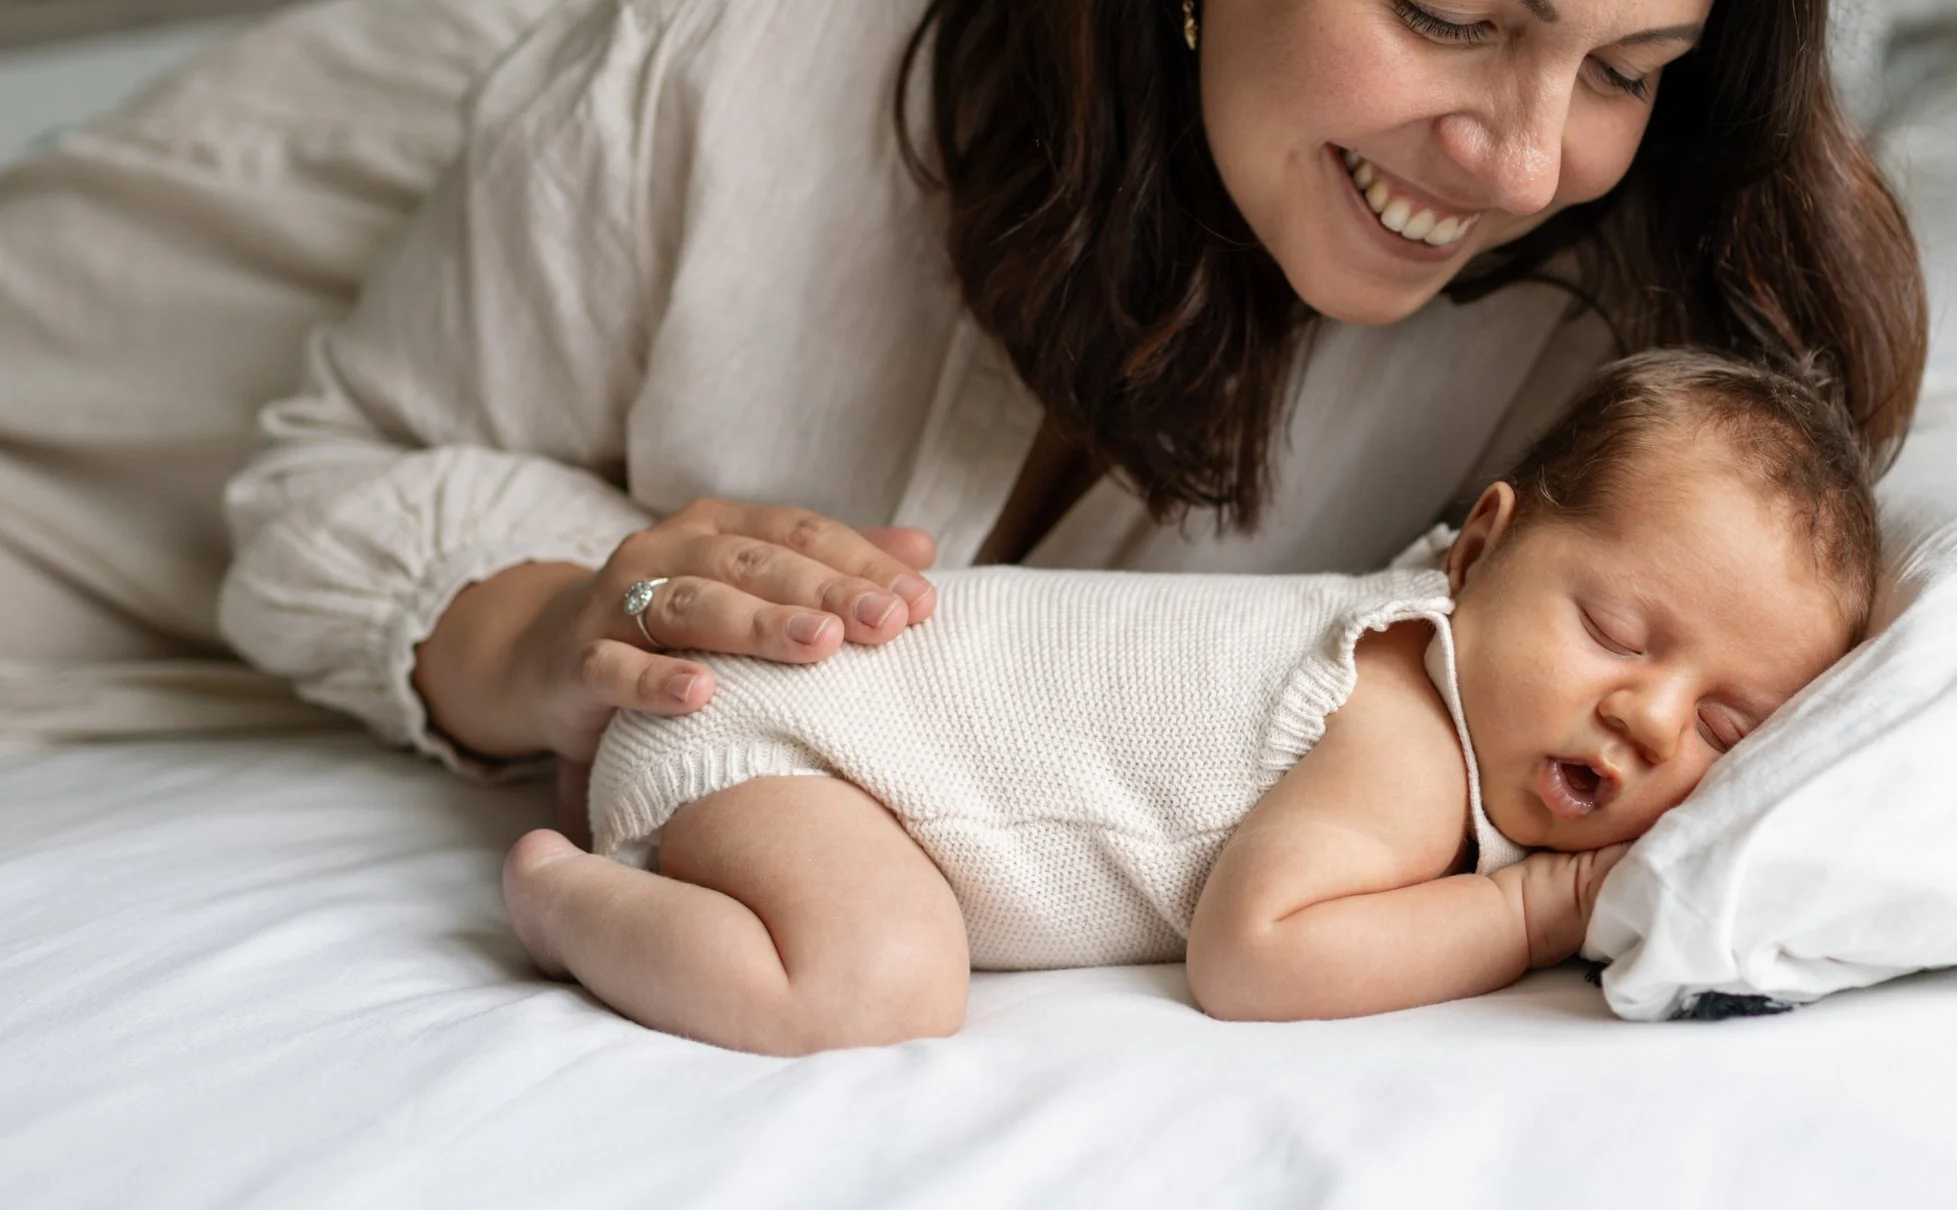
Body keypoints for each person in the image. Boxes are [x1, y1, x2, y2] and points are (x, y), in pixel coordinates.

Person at [0, 0, 1922, 771]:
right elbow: (325, 475)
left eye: (1627, 66)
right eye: (1445, 13)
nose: (1520, 155)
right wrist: (551, 621)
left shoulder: (1619, 295)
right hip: (200, 290)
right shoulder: (761, 8)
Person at [503, 352, 1879, 1051]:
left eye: (1725, 726)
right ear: (1476, 554)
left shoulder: (1447, 677)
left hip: (799, 724)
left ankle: (634, 812)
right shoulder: (1403, 717)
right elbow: (1255, 956)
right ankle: (569, 896)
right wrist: (1542, 909)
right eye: (1616, 632)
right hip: (789, 733)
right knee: (882, 982)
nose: (1653, 717)